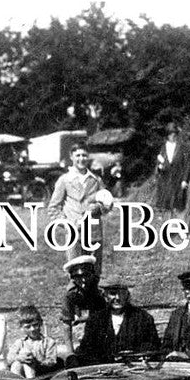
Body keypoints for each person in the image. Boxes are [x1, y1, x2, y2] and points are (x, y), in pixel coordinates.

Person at [76, 276, 160, 365]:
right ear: (105, 296)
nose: (118, 298)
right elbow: (86, 351)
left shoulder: (143, 318)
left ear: (127, 295)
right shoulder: (96, 320)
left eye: (122, 293)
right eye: (113, 293)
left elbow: (152, 347)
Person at [47, 142, 105, 270]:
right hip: (74, 235)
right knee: (75, 273)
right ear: (71, 157)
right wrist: (67, 224)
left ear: (88, 157)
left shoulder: (96, 180)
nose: (81, 159)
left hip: (94, 233)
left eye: (84, 155)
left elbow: (107, 203)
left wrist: (98, 207)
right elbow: (53, 208)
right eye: (77, 155)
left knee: (94, 272)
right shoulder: (64, 180)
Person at [60, 254, 108, 350]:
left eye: (86, 275)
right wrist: (70, 353)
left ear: (92, 274)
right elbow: (66, 325)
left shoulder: (100, 291)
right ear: (73, 278)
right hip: (80, 333)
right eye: (78, 277)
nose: (83, 280)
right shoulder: (70, 295)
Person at [5, 305, 63, 378]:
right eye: (28, 327)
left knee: (28, 363)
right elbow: (9, 359)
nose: (32, 329)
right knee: (17, 363)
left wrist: (36, 362)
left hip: (42, 374)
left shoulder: (49, 342)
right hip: (22, 374)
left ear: (40, 323)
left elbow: (52, 361)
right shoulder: (20, 342)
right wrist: (19, 358)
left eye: (35, 325)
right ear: (22, 327)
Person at [154, 122, 190, 218]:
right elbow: (158, 164)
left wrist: (185, 179)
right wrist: (160, 167)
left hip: (179, 180)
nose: (173, 136)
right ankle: (168, 223)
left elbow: (187, 165)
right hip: (165, 181)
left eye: (174, 134)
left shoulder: (182, 147)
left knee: (179, 206)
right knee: (167, 206)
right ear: (167, 135)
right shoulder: (162, 148)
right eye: (170, 134)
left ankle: (178, 223)